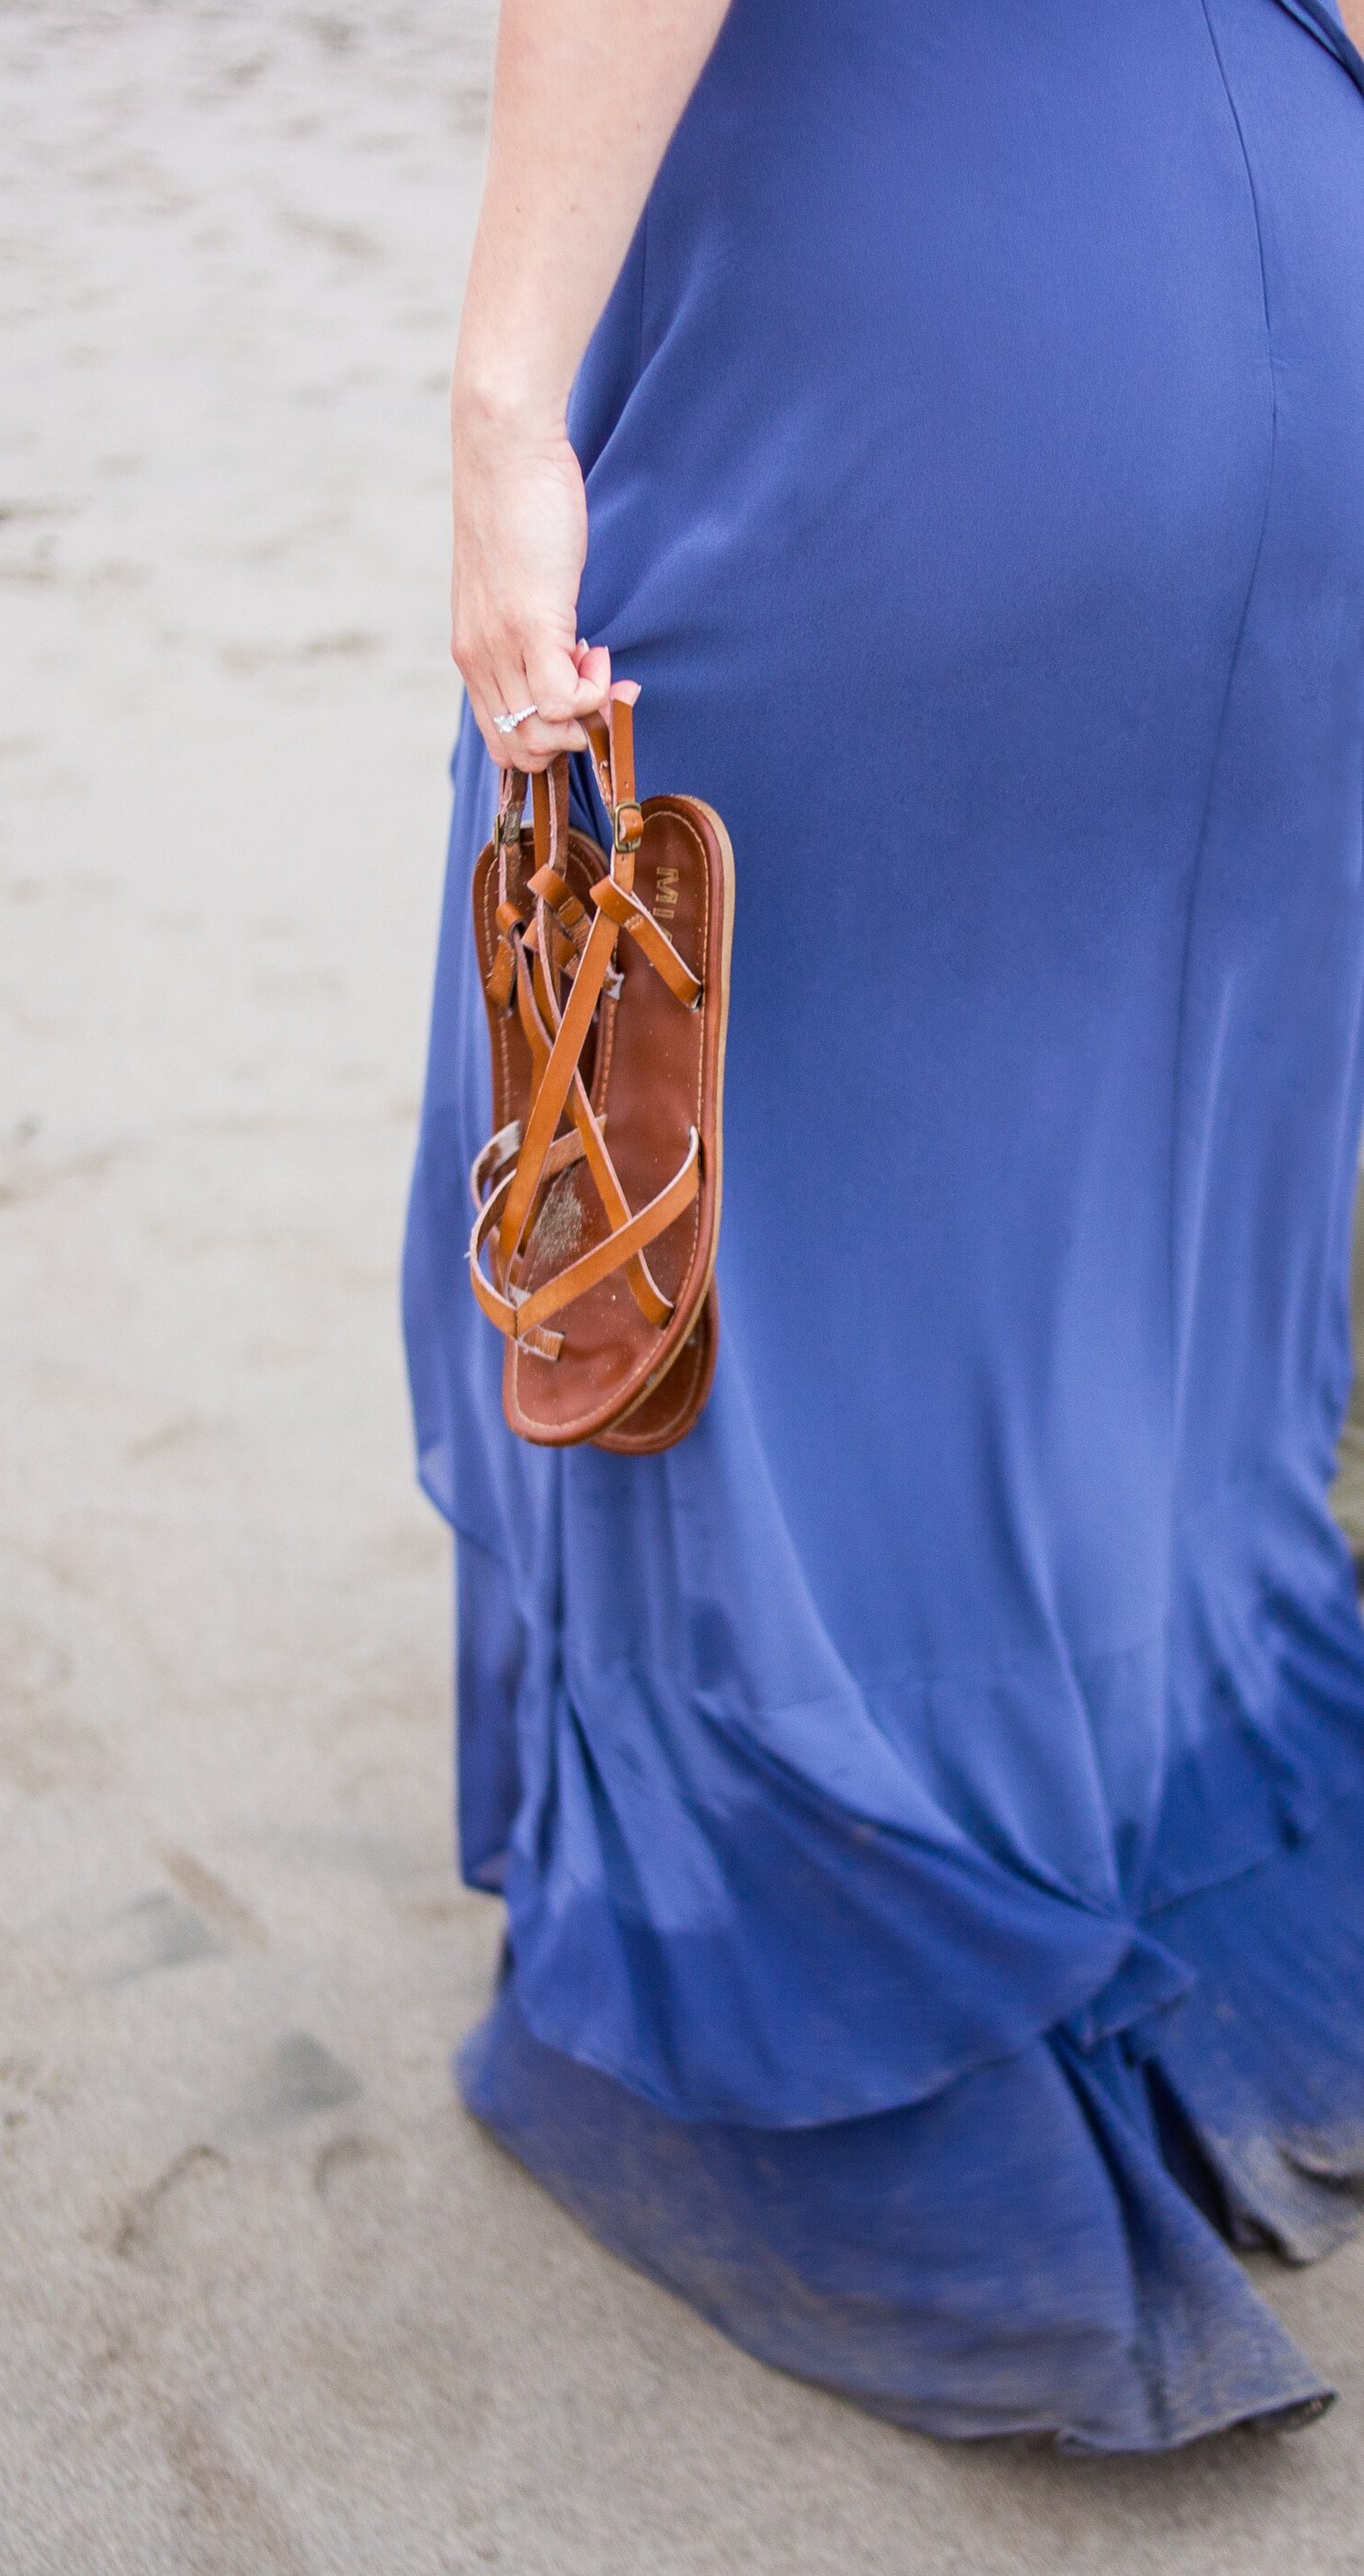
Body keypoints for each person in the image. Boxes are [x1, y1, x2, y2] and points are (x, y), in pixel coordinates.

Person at [405, 0, 1364, 2449]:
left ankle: (829, 1974)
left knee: (697, 1104)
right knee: (1143, 1157)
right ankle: (1181, 1871)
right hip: (1291, 294)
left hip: (920, 332)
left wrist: (501, 407)